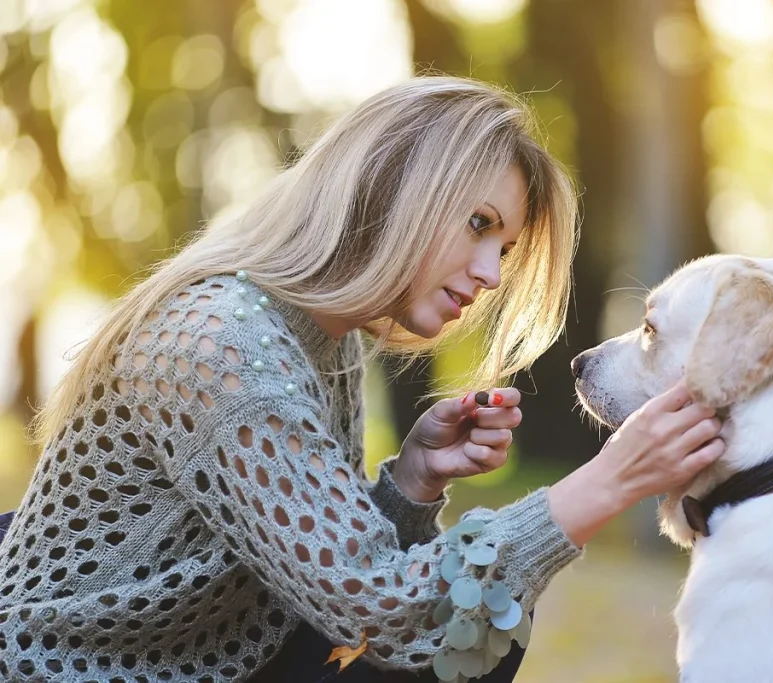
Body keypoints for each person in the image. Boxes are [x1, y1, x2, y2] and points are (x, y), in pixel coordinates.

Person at [0, 76, 724, 682]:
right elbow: (377, 607)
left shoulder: (321, 338)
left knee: (485, 628)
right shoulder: (220, 342)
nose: (489, 274)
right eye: (478, 223)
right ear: (392, 184)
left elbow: (326, 574)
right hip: (71, 667)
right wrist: (606, 482)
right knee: (471, 627)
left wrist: (411, 481)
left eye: (503, 247)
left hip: (201, 657)